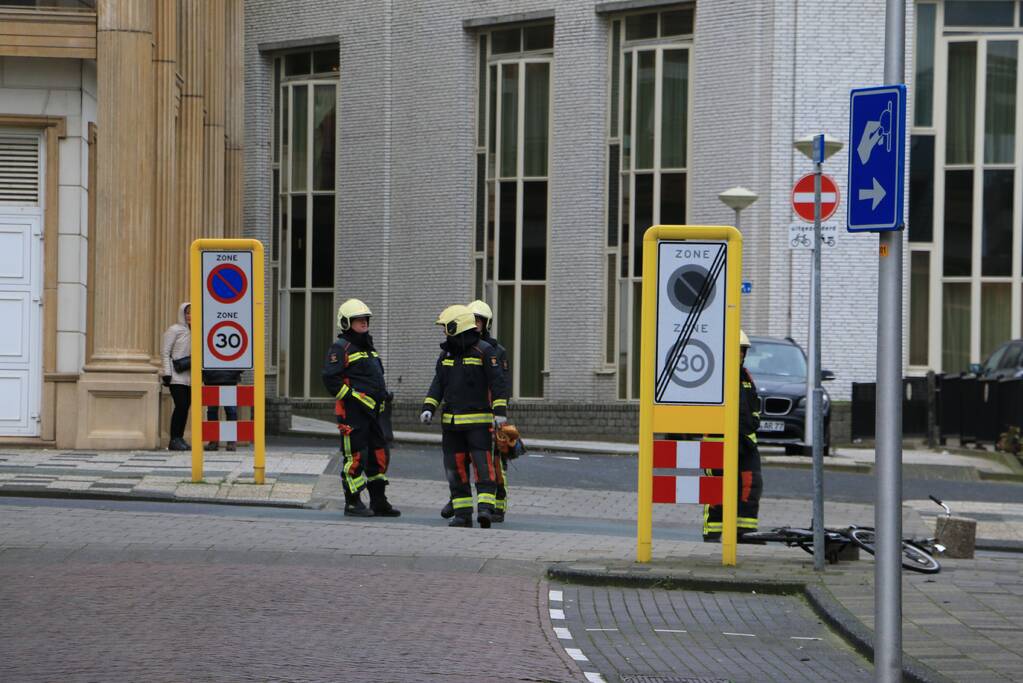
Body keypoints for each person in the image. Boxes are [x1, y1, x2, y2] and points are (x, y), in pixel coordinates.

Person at [421, 304, 509, 528]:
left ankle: (486, 510)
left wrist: (500, 413)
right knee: (455, 469)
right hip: (451, 426)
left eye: (446, 327)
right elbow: (438, 383)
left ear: (456, 326)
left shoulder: (485, 351)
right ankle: (462, 514)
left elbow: (498, 383)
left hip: (478, 425)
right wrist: (428, 407)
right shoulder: (446, 354)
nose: (444, 332)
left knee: (483, 467)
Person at [321, 298, 399, 518]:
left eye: (365, 319)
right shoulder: (340, 348)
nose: (364, 323)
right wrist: (355, 397)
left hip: (374, 413)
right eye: (358, 320)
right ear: (346, 323)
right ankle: (353, 502)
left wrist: (382, 396)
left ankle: (379, 501)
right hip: (352, 413)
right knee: (355, 457)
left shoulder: (368, 349)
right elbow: (330, 379)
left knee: (378, 455)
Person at [703, 329, 763, 542]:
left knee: (750, 485)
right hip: (717, 442)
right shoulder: (712, 375)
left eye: (741, 351)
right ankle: (713, 533)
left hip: (746, 443)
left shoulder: (745, 376)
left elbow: (755, 405)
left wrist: (753, 422)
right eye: (734, 351)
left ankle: (744, 532)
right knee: (716, 489)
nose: (738, 355)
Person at [161, 302, 192, 451]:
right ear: (182, 314)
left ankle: (180, 438)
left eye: (193, 313)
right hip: (176, 376)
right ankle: (174, 439)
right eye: (188, 313)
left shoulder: (198, 331)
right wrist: (167, 372)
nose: (190, 316)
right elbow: (165, 352)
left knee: (185, 408)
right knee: (181, 406)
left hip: (191, 377)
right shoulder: (174, 330)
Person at [203, 368, 242, 451]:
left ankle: (214, 442)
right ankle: (230, 442)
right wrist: (233, 372)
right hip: (228, 380)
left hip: (212, 380)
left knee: (212, 412)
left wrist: (207, 372)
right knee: (230, 412)